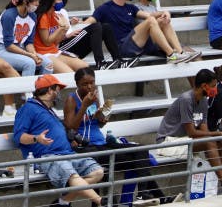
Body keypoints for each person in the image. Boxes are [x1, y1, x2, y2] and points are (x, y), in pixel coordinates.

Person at [63, 67, 168, 205]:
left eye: (92, 83)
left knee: (141, 151)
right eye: (85, 84)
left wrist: (102, 119)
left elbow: (97, 125)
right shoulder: (71, 99)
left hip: (102, 144)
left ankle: (143, 194)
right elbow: (70, 128)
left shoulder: (94, 98)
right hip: (86, 147)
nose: (89, 86)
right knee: (138, 163)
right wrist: (83, 106)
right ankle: (161, 197)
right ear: (77, 84)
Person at [12, 74, 104, 207]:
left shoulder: (48, 109)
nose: (59, 92)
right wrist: (36, 138)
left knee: (97, 172)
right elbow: (18, 137)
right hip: (46, 157)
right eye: (57, 88)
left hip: (67, 153)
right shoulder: (28, 108)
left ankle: (63, 201)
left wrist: (69, 140)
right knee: (72, 176)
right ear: (49, 90)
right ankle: (101, 201)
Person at [92, 0, 199, 66]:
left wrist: (164, 13)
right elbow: (89, 22)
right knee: (151, 21)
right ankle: (171, 55)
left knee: (163, 20)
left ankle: (180, 52)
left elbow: (149, 15)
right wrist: (77, 21)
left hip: (134, 43)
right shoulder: (105, 8)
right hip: (122, 48)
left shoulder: (130, 8)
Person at [153, 69, 222, 186]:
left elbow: (204, 129)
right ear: (204, 86)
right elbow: (192, 132)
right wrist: (217, 134)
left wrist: (217, 137)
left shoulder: (203, 100)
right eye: (213, 86)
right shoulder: (186, 99)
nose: (215, 89)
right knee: (210, 142)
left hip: (185, 140)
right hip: (168, 142)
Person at [48, 0, 121, 69]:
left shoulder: (63, 11)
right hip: (61, 47)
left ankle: (119, 60)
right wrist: (67, 36)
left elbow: (64, 26)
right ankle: (100, 63)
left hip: (72, 41)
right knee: (96, 27)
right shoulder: (49, 13)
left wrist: (70, 23)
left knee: (106, 27)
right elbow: (50, 38)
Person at [0, 0, 46, 77]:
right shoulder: (9, 15)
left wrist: (34, 55)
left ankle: (43, 91)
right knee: (29, 63)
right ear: (25, 1)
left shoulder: (33, 16)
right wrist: (29, 55)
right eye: (35, 1)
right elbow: (8, 45)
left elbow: (29, 42)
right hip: (1, 49)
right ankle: (26, 91)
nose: (38, 4)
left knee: (47, 64)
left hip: (19, 48)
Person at [33, 0, 90, 74]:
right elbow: (47, 42)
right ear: (52, 1)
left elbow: (56, 42)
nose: (62, 1)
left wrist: (64, 29)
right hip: (43, 54)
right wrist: (60, 29)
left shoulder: (56, 15)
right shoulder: (43, 17)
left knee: (86, 68)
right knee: (70, 73)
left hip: (55, 51)